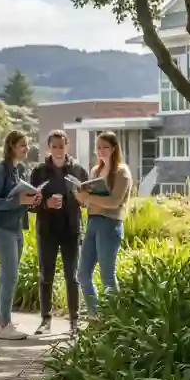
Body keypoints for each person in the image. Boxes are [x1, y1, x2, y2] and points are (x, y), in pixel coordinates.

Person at [0, 130, 40, 340]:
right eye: (22, 145)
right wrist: (19, 201)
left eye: (27, 145)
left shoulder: (21, 170)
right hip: (1, 229)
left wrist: (31, 201)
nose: (26, 149)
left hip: (16, 228)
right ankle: (4, 324)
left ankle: (1, 323)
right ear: (11, 147)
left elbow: (19, 200)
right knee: (10, 276)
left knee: (7, 276)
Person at [30, 130, 87, 335]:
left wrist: (80, 198)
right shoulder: (39, 172)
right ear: (49, 148)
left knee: (72, 276)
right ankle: (45, 320)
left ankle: (74, 321)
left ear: (67, 146)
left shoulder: (78, 170)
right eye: (54, 146)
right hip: (47, 230)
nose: (57, 150)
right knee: (46, 276)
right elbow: (30, 203)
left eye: (61, 146)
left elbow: (88, 199)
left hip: (71, 229)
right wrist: (45, 203)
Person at [75, 130, 132, 317]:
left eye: (105, 147)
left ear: (114, 148)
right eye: (98, 147)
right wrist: (82, 198)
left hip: (110, 225)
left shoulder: (122, 172)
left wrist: (89, 197)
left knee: (107, 276)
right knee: (83, 274)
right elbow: (90, 202)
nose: (101, 151)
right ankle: (96, 315)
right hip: (92, 223)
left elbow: (114, 202)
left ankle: (115, 319)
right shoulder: (95, 171)